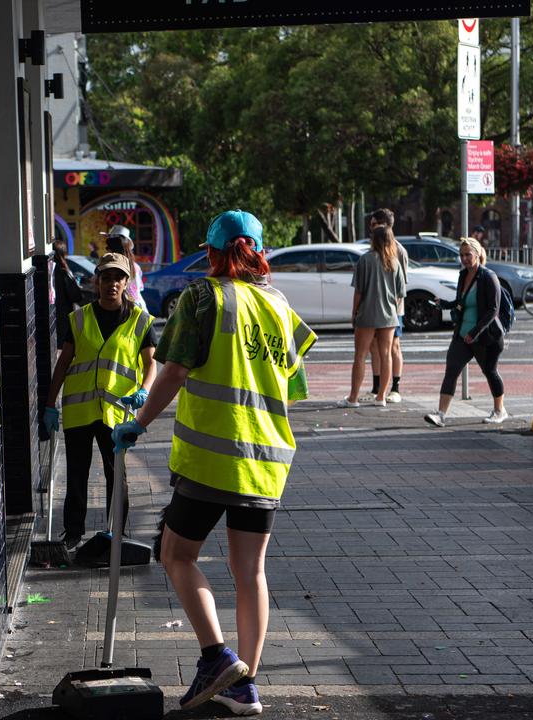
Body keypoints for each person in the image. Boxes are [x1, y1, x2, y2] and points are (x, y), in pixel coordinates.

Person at [112, 210, 316, 715]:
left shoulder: (204, 297)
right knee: (250, 570)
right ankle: (246, 685)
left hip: (213, 457)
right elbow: (294, 386)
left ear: (213, 253)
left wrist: (139, 421)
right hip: (268, 458)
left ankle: (215, 657)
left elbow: (175, 369)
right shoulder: (279, 305)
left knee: (176, 554)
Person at [43, 253, 157, 549]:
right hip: (79, 410)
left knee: (116, 475)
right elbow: (64, 362)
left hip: (117, 412)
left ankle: (116, 534)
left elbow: (151, 364)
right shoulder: (79, 318)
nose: (111, 284)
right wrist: (49, 403)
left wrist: (144, 390)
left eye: (118, 278)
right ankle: (72, 534)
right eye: (106, 277)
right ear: (97, 281)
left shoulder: (140, 321)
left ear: (126, 282)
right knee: (76, 475)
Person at [424, 237, 509, 427]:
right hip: (463, 334)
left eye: (468, 255)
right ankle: (441, 415)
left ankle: (499, 410)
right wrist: (444, 304)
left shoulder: (488, 277)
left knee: (490, 371)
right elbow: (462, 302)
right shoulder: (463, 275)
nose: (464, 258)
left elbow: (492, 310)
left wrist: (476, 331)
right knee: (451, 370)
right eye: (461, 255)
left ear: (478, 254)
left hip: (486, 336)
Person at [338, 225, 404, 408]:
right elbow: (400, 294)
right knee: (386, 355)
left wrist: (354, 312)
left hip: (367, 313)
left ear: (374, 239)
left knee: (360, 356)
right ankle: (381, 396)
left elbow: (358, 291)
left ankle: (353, 398)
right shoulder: (395, 262)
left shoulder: (365, 260)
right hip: (389, 316)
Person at [366, 209, 407, 403]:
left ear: (384, 226)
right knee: (374, 347)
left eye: (374, 225)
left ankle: (395, 387)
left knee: (393, 347)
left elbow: (401, 285)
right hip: (375, 307)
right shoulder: (373, 248)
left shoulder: (398, 250)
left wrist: (395, 308)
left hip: (393, 308)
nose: (371, 228)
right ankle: (376, 386)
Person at [103, 224, 148, 312]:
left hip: (124, 310)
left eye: (108, 246)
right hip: (140, 309)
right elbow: (139, 289)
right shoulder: (135, 266)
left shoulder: (111, 266)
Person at [51, 239, 85, 342]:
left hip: (55, 312)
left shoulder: (51, 271)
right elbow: (76, 296)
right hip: (64, 313)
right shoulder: (64, 271)